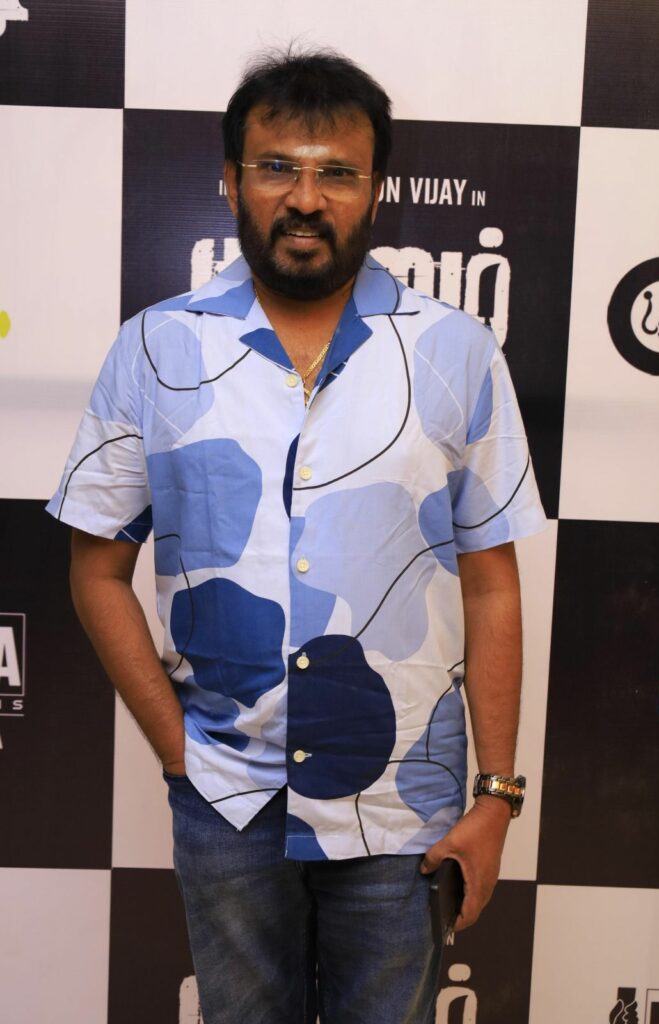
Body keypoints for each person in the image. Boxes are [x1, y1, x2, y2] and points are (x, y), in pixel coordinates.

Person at [48, 47, 545, 1024]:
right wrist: (179, 749)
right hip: (226, 798)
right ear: (231, 180)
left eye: (336, 172)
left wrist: (495, 795)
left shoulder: (453, 351)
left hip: (404, 807)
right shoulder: (156, 347)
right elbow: (95, 568)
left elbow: (493, 584)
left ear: (376, 190)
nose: (305, 198)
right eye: (277, 166)